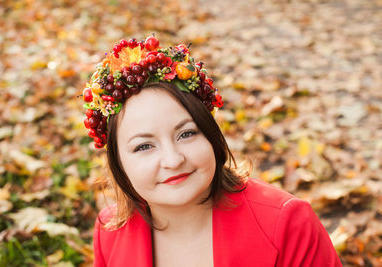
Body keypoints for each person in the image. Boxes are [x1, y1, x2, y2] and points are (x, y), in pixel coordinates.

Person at [82, 35, 342, 267]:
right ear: (118, 161)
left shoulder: (287, 225)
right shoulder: (110, 231)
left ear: (210, 134)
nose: (173, 160)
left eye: (186, 133)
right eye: (144, 146)